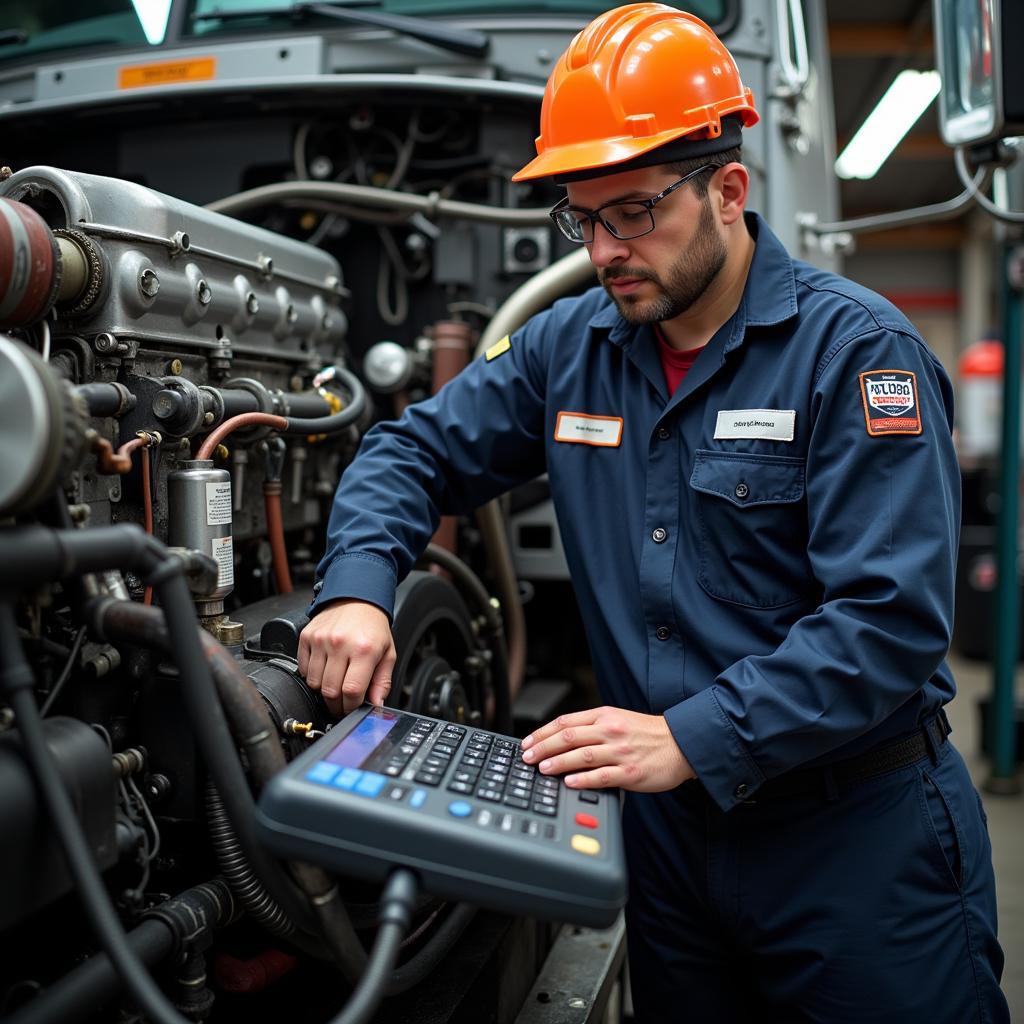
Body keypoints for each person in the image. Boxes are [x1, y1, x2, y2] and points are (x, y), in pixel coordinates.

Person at [298, 5, 1009, 1020]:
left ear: (728, 190)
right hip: (671, 844)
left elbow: (886, 621)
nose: (601, 249)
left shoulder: (854, 355)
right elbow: (411, 449)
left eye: (631, 212)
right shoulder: (569, 347)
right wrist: (360, 590)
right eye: (582, 219)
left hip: (852, 840)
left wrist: (694, 734)